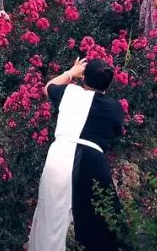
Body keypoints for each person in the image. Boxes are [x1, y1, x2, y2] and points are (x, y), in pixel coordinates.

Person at [27, 57, 125, 251]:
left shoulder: (69, 92)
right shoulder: (114, 107)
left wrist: (71, 72)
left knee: (52, 214)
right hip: (93, 159)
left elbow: (48, 87)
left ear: (84, 78)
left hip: (60, 154)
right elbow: (115, 133)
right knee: (100, 219)